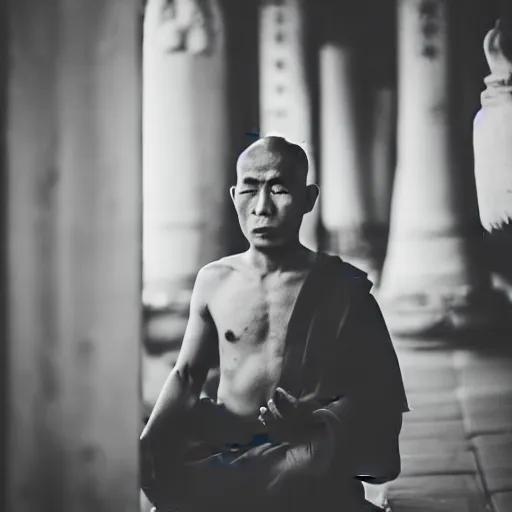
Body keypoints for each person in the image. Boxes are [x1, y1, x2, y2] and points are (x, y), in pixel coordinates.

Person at [140, 135, 409, 512]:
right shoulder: (214, 280)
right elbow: (186, 375)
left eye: (279, 189)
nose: (262, 208)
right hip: (228, 447)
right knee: (162, 471)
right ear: (234, 195)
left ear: (308, 198)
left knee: (300, 474)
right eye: (250, 190)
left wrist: (315, 421)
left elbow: (377, 394)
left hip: (302, 454)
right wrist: (148, 441)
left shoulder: (343, 288)